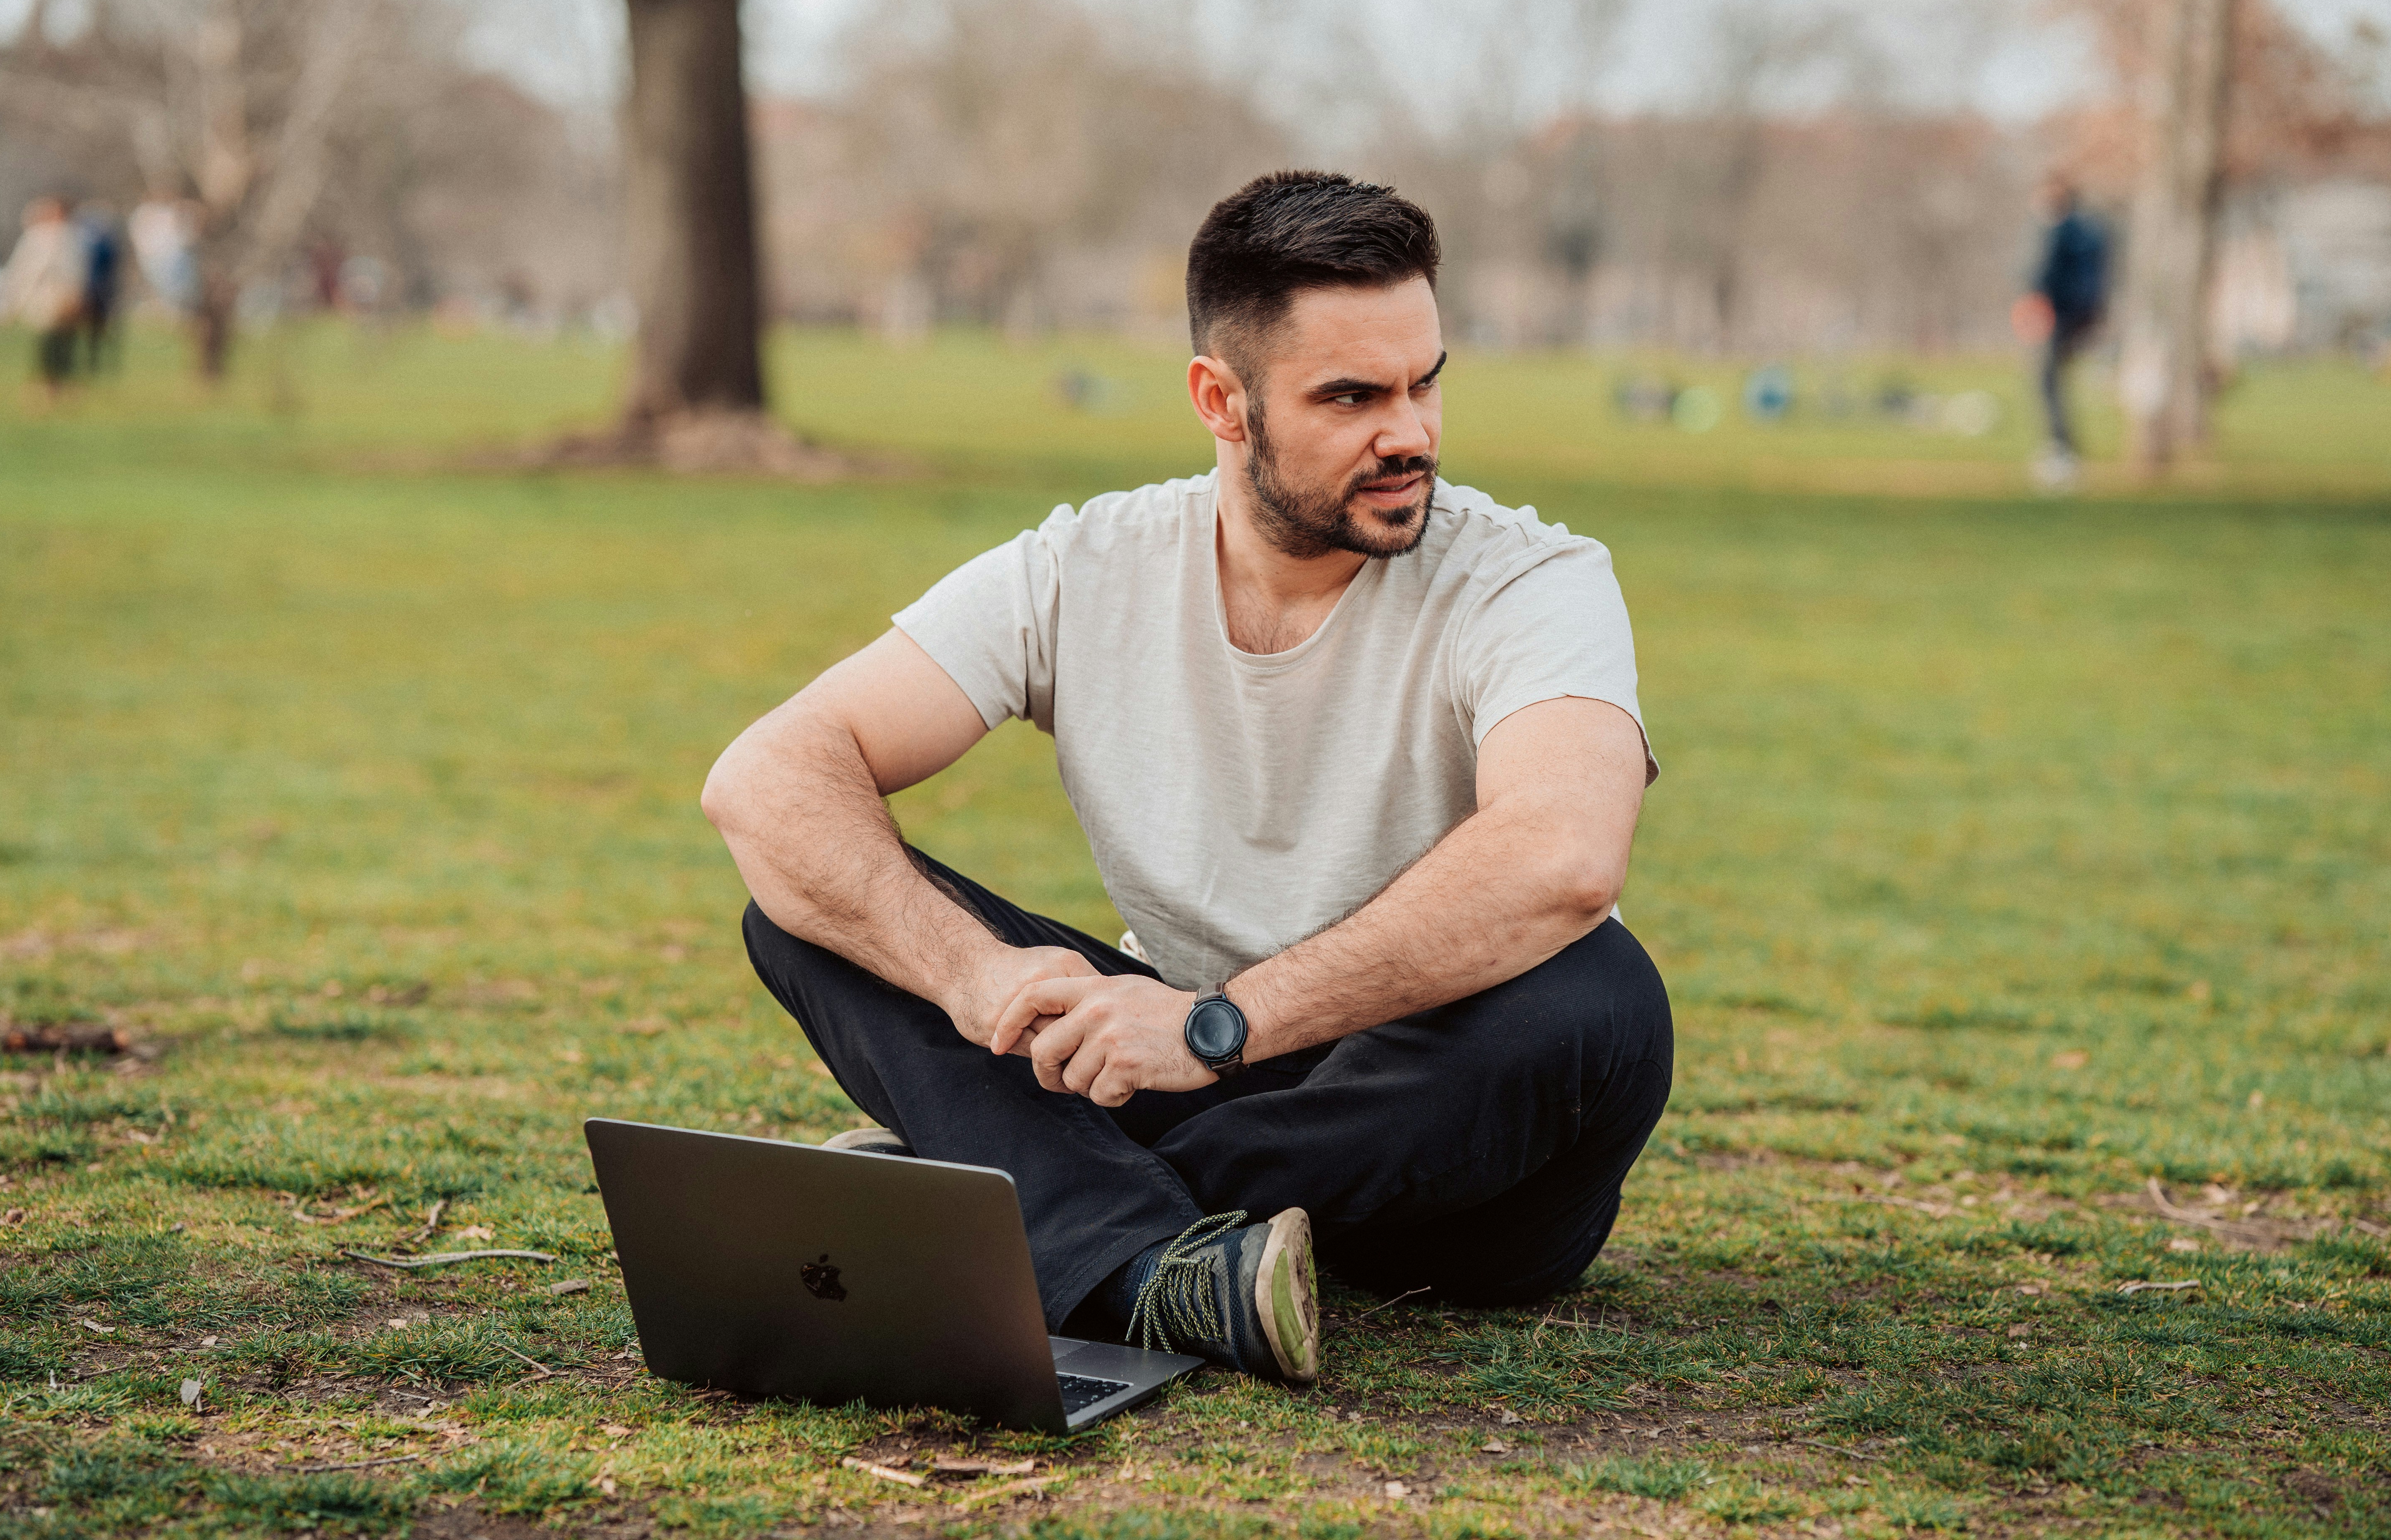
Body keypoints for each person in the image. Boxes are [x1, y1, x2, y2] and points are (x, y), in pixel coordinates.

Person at [702, 171, 1672, 1388]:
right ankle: (1152, 1260)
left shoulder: (1535, 579)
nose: (1412, 432)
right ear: (1223, 400)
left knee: (1596, 999)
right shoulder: (1085, 566)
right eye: (1352, 396)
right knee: (815, 907)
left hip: (1446, 1135)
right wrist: (976, 980)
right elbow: (768, 778)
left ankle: (1024, 1209)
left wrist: (1218, 1028)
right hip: (1172, 1063)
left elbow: (1564, 854)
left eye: (1426, 381)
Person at [2015, 174, 2110, 490]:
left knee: (2047, 380)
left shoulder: (2059, 232)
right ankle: (2062, 447)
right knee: (2053, 381)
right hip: (2074, 318)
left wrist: (2036, 308)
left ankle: (2060, 449)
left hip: (2055, 318)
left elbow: (2039, 277)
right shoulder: (2088, 233)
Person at [0, 197, 88, 404]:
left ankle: (63, 387)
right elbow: (22, 272)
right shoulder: (36, 238)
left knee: (64, 346)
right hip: (44, 300)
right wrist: (11, 303)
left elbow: (78, 271)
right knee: (46, 346)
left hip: (64, 299)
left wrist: (75, 295)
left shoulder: (71, 236)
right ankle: (47, 388)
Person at [74, 202, 123, 375]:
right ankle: (88, 363)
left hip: (100, 291)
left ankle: (97, 363)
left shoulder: (105, 246)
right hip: (89, 290)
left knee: (100, 329)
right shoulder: (85, 243)